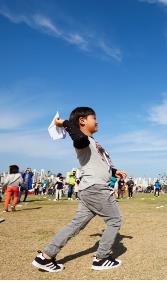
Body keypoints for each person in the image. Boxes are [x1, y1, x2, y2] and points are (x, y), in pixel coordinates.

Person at [32, 107, 127, 272]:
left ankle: (45, 257)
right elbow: (78, 139)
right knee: (114, 220)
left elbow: (97, 162)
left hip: (88, 188)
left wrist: (114, 171)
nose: (97, 121)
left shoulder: (91, 141)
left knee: (76, 224)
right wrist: (66, 123)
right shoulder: (82, 140)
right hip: (96, 188)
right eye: (94, 118)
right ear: (82, 120)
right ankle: (101, 259)